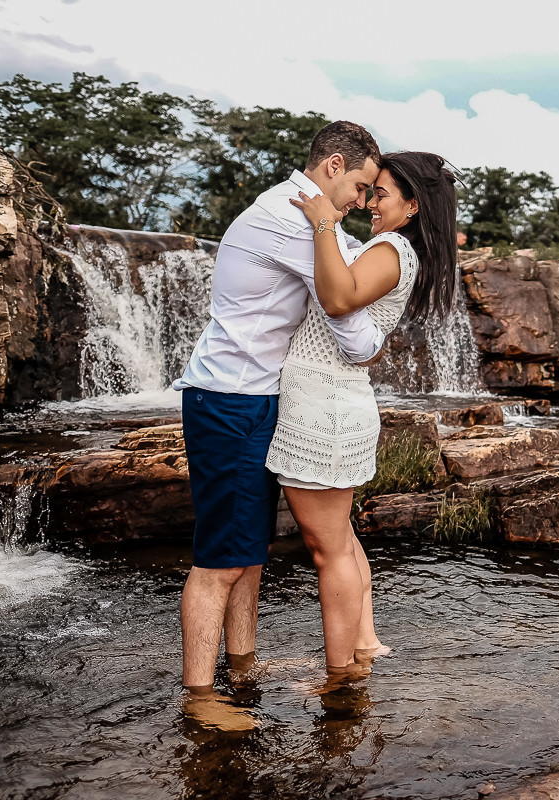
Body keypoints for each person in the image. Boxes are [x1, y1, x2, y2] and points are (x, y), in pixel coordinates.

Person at [173, 121, 385, 719]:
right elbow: (345, 304)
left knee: (251, 550)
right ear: (335, 166)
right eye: (363, 187)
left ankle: (241, 667)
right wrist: (373, 345)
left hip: (255, 399)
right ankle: (199, 696)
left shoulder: (300, 215)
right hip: (230, 401)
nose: (363, 203)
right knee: (220, 560)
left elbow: (347, 271)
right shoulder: (290, 218)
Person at [265, 151, 459, 674]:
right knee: (341, 540)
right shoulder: (392, 247)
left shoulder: (394, 248)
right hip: (332, 400)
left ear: (413, 206)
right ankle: (365, 643)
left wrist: (326, 223)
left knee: (326, 549)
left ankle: (341, 675)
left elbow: (338, 299)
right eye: (369, 192)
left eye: (383, 194)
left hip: (324, 407)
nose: (371, 202)